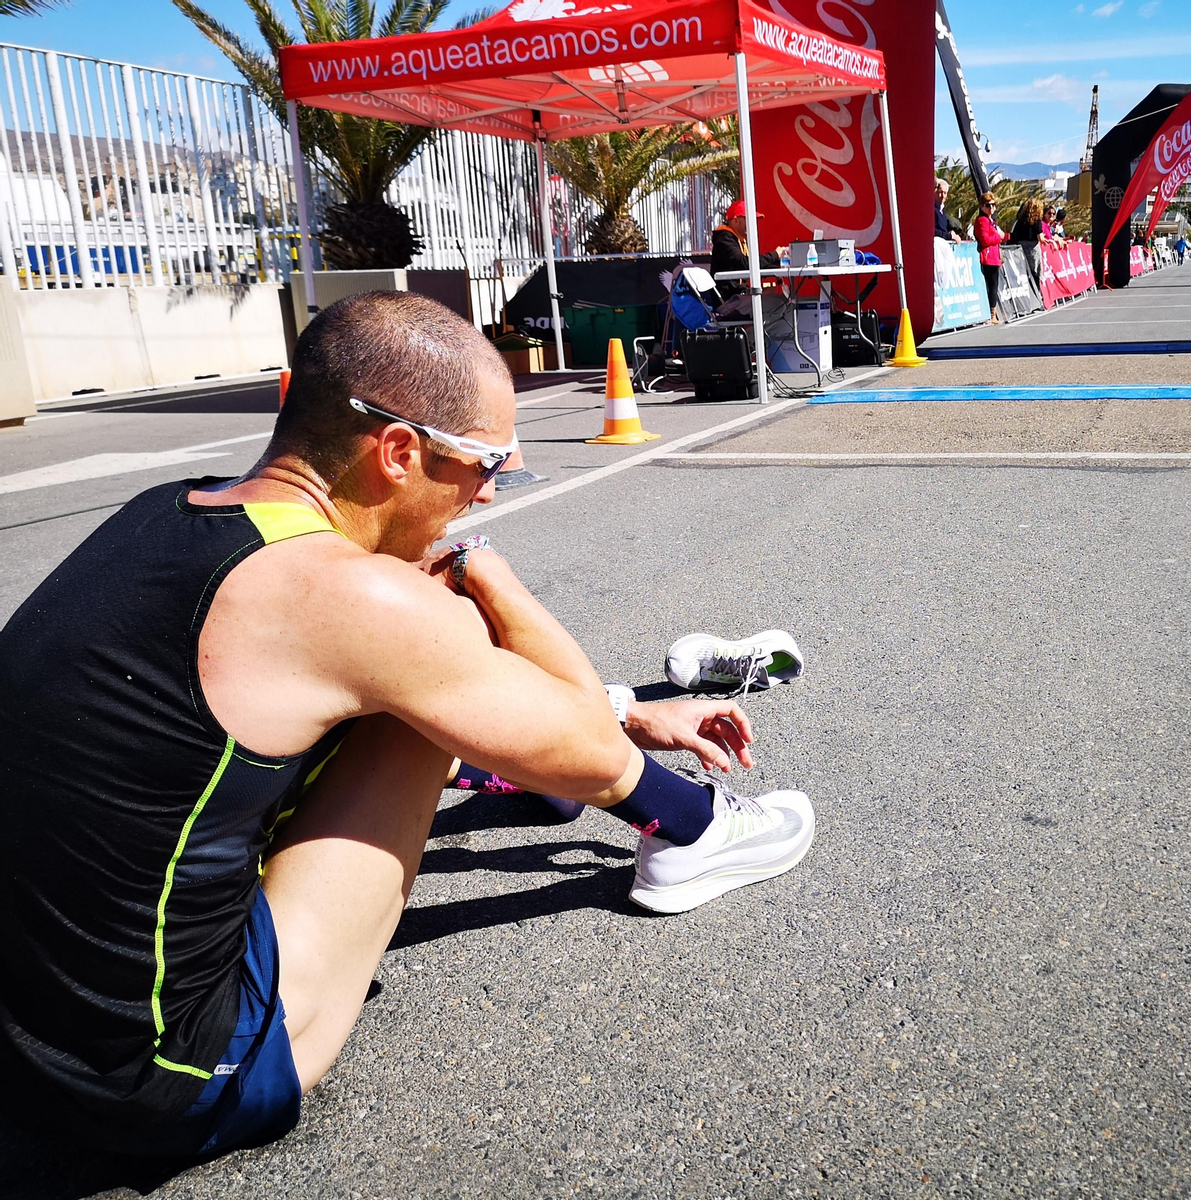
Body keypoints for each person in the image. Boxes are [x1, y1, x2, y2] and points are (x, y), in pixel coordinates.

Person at [0, 291, 815, 1159]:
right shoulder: (348, 598)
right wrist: (480, 570)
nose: (492, 487)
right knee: (442, 643)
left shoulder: (174, 509)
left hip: (26, 1039)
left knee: (411, 673)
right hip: (161, 1075)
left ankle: (509, 763)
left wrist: (619, 711)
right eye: (488, 461)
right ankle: (694, 830)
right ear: (397, 452)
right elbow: (584, 743)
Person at [709, 200, 780, 301]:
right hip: (728, 300)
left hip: (738, 295)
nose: (753, 224)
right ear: (736, 220)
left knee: (783, 302)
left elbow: (750, 265)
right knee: (778, 303)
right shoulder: (724, 239)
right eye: (749, 219)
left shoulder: (739, 241)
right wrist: (774, 255)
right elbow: (744, 264)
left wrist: (780, 264)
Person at [974, 192, 1006, 324]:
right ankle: (991, 314)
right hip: (988, 258)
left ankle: (993, 313)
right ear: (982, 206)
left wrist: (1005, 236)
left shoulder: (990, 221)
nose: (991, 208)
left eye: (993, 205)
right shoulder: (982, 220)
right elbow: (985, 239)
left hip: (994, 256)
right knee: (991, 286)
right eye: (988, 205)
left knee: (994, 286)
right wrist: (999, 237)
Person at [1009, 197, 1044, 292]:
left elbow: (1014, 235)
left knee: (1023, 273)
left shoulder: (1020, 221)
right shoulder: (1037, 221)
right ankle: (1036, 294)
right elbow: (1040, 237)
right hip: (1032, 249)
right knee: (1035, 273)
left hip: (1020, 248)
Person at [934, 177, 962, 242]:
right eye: (940, 192)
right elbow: (933, 231)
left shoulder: (941, 210)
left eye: (945, 193)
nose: (943, 196)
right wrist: (950, 236)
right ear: (935, 192)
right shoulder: (932, 210)